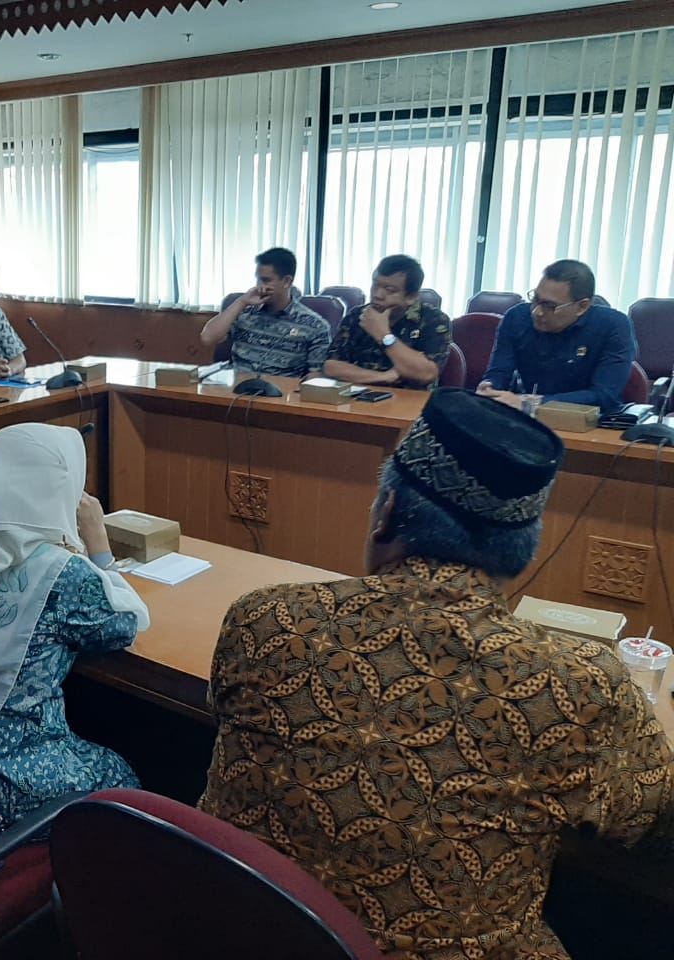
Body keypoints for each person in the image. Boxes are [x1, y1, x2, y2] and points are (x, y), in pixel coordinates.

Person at [200, 387, 674, 960]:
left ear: (386, 512)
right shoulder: (581, 685)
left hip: (233, 929)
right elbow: (650, 821)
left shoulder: (265, 618)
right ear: (522, 549)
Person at [0, 423, 150, 824]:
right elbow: (125, 624)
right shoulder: (64, 573)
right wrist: (98, 544)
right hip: (10, 774)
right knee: (122, 776)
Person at [479, 259, 636, 414]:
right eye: (536, 300)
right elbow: (499, 373)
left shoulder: (613, 326)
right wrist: (489, 387)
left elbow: (605, 396)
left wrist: (531, 402)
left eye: (550, 306)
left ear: (582, 307)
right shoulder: (517, 317)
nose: (537, 312)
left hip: (589, 422)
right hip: (527, 419)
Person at [198, 247, 331, 377]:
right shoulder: (244, 312)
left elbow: (316, 376)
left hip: (282, 389)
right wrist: (242, 302)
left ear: (286, 281)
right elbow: (207, 338)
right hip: (237, 385)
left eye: (266, 280)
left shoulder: (314, 325)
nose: (259, 286)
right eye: (258, 279)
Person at [323, 254, 451, 388]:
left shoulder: (434, 320)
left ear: (411, 297)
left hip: (411, 399)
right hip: (357, 395)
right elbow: (331, 367)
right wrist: (383, 377)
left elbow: (426, 374)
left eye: (390, 290)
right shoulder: (357, 316)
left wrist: (383, 335)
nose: (377, 295)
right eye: (375, 285)